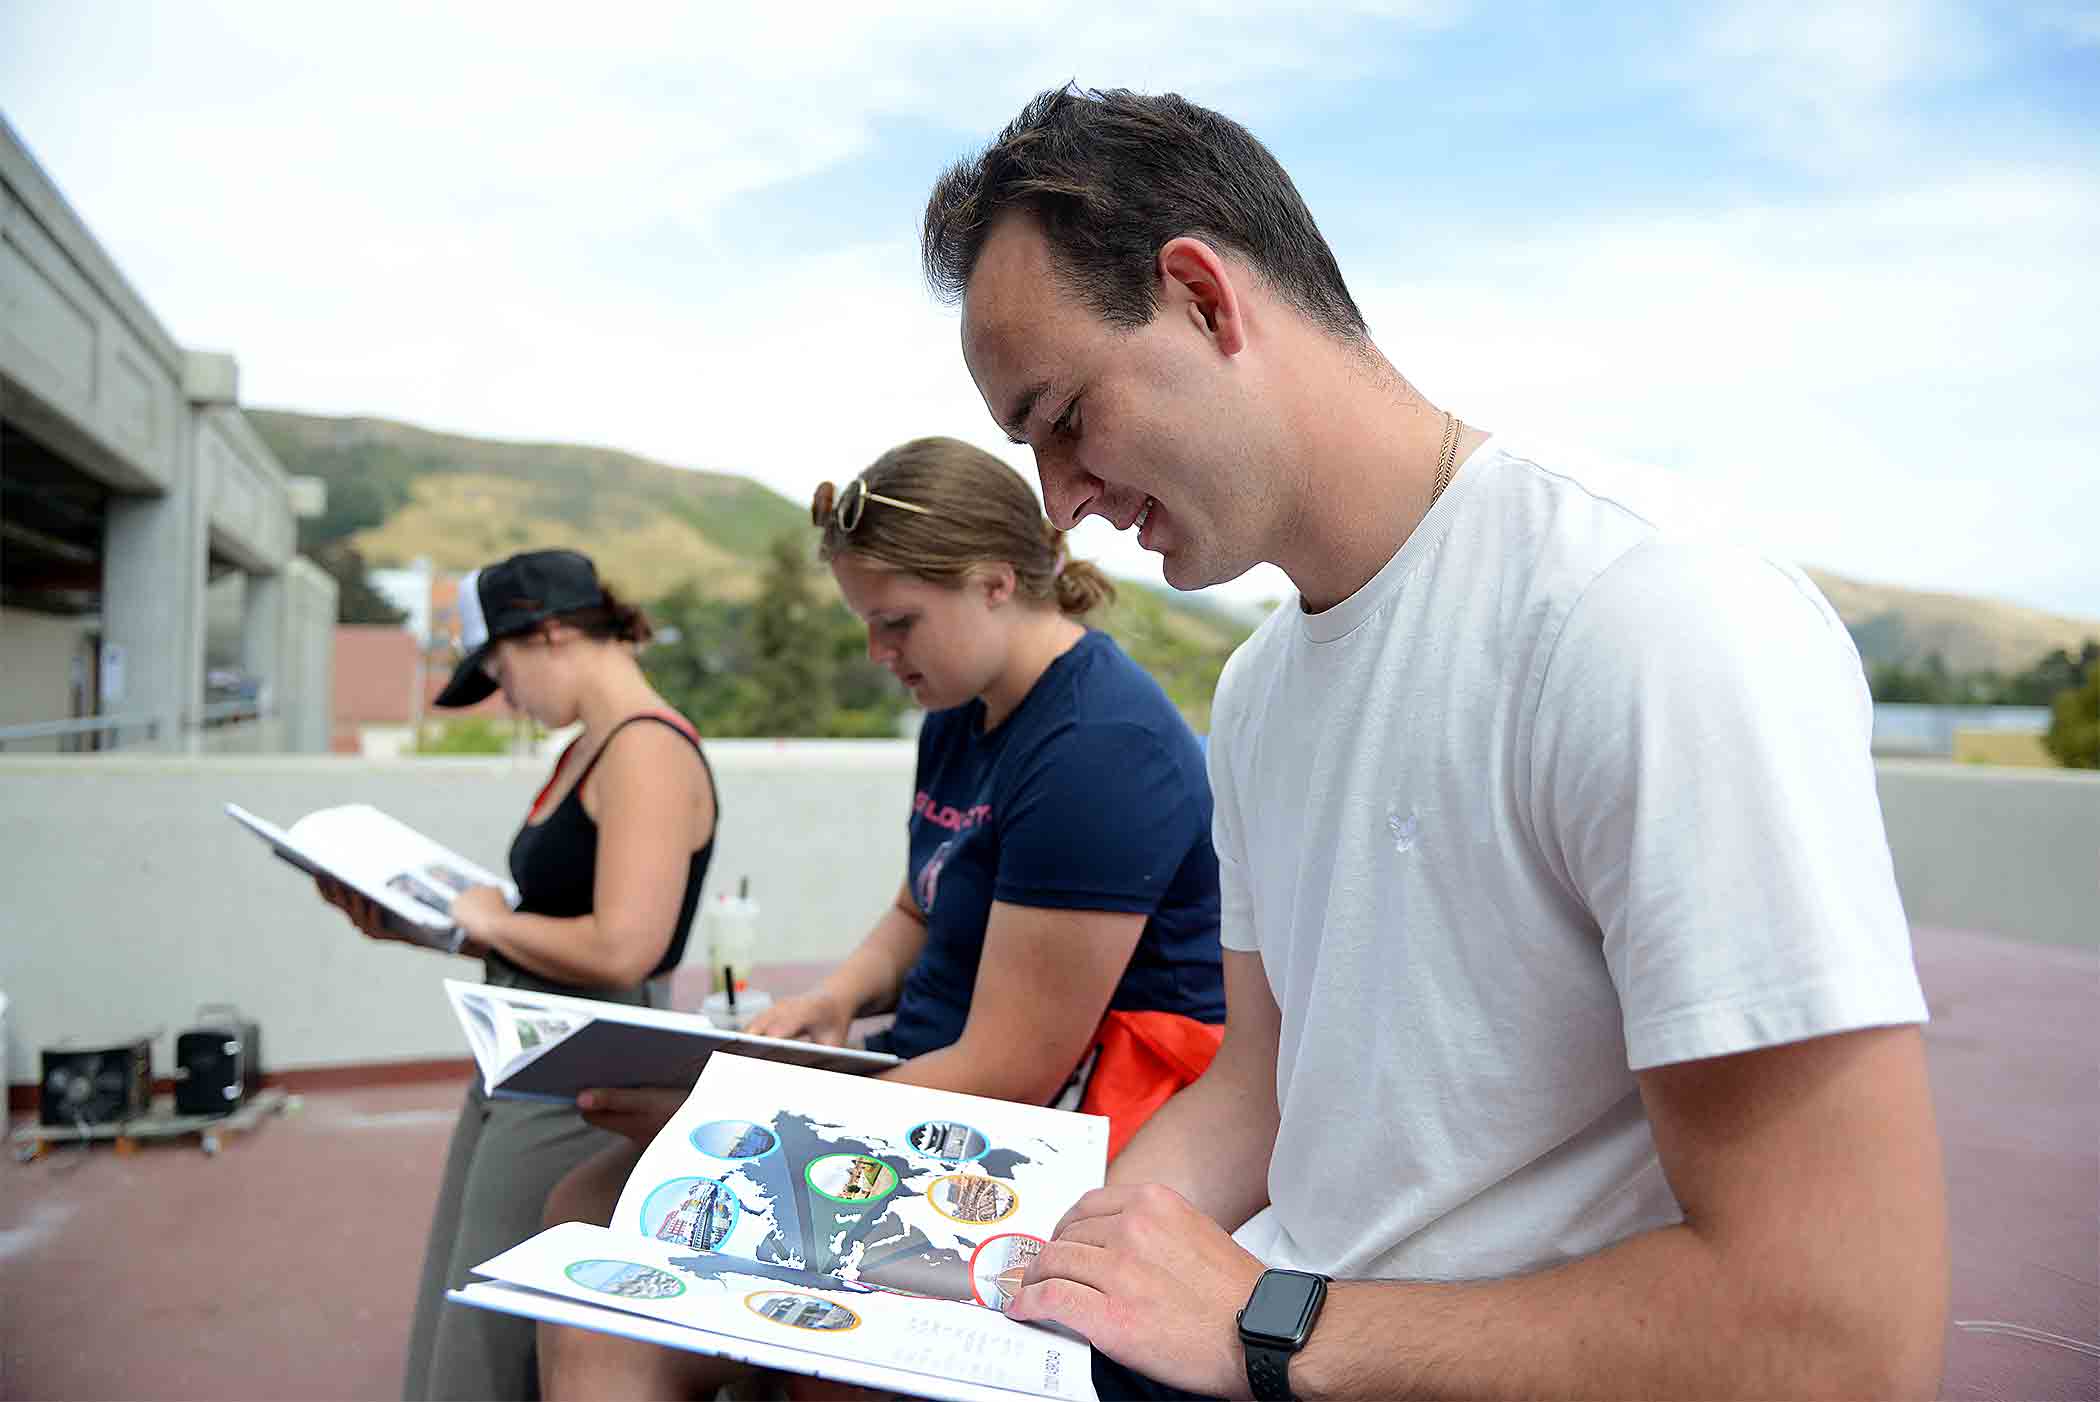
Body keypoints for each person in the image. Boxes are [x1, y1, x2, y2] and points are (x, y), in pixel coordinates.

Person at [924, 86, 1949, 1400]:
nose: (1057, 507)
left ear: (1204, 298)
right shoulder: (1256, 696)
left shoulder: (1647, 614)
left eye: (1062, 417)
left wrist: (1274, 1327)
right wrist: (1043, 1277)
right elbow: (1266, 1083)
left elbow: (1844, 1331)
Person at [537, 436, 1227, 1399]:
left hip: (1042, 1133)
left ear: (994, 584)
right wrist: (834, 999)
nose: (878, 653)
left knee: (769, 1326)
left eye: (897, 621)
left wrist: (738, 1122)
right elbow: (922, 897)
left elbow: (1013, 1069)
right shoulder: (961, 704)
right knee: (587, 1214)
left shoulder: (1100, 750)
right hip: (927, 1085)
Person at [315, 547, 719, 1401]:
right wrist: (425, 928)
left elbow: (622, 948)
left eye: (502, 672)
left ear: (552, 633)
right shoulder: (587, 748)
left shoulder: (646, 749)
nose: (508, 700)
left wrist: (491, 918)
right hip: (528, 1036)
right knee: (460, 1289)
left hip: (586, 1057)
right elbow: (552, 924)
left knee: (493, 1320)